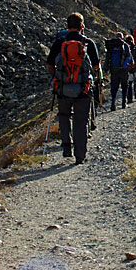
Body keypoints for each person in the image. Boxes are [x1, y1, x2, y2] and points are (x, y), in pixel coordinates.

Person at [46, 12, 101, 165]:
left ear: (67, 26)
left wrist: (57, 76)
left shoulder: (60, 42)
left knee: (64, 116)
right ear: (82, 26)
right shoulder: (88, 42)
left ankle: (66, 146)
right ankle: (80, 155)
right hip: (83, 89)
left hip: (63, 87)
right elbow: (96, 66)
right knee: (81, 120)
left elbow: (50, 63)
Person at [104, 32, 131, 111]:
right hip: (123, 70)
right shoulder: (125, 45)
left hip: (114, 69)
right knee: (124, 86)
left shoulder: (111, 45)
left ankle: (113, 104)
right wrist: (126, 66)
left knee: (114, 87)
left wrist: (106, 69)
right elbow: (129, 56)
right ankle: (123, 103)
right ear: (122, 38)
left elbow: (107, 58)